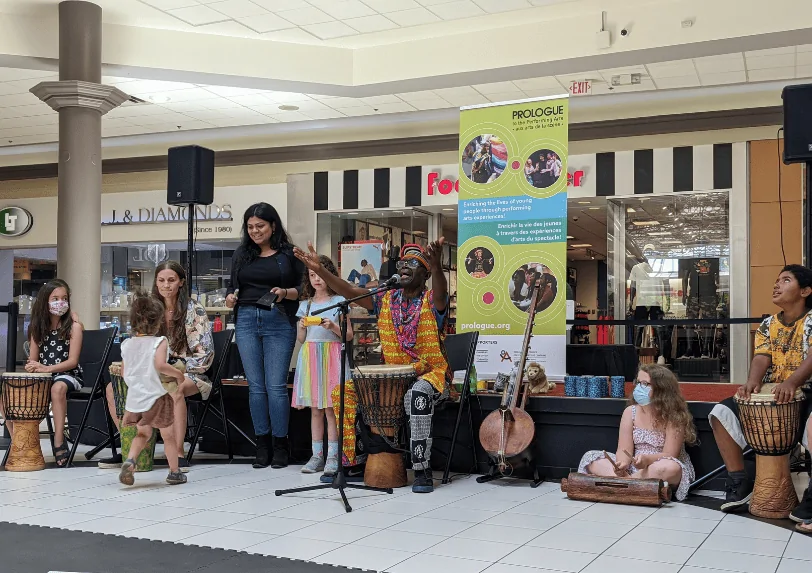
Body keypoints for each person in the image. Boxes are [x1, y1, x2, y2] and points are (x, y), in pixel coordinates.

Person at [295, 241, 451, 493]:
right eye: (401, 263)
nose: (403, 267)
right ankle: (353, 463)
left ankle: (422, 468)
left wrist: (437, 267)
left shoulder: (431, 300)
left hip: (430, 375)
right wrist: (322, 271)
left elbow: (442, 294)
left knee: (418, 395)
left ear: (425, 273)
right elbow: (349, 290)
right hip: (391, 377)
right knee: (342, 392)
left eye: (413, 264)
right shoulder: (385, 298)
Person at [709, 265, 812, 517]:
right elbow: (761, 357)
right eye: (777, 280)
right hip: (774, 393)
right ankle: (739, 481)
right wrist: (752, 382)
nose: (776, 285)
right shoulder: (768, 324)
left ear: (806, 291)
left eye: (786, 280)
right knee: (721, 412)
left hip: (807, 391)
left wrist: (793, 382)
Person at [99, 261, 214, 472]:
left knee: (174, 390)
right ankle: (131, 448)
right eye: (161, 280)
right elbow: (138, 342)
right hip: (154, 373)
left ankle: (178, 453)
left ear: (181, 282)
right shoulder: (150, 308)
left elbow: (204, 356)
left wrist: (175, 367)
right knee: (110, 390)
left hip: (189, 373)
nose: (166, 285)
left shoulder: (194, 310)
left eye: (171, 280)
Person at [226, 202, 305, 469]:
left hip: (278, 318)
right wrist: (230, 296)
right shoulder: (241, 254)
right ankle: (262, 444)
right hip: (246, 317)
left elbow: (301, 289)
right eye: (250, 227)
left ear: (273, 226)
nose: (255, 231)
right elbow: (232, 287)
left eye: (260, 226)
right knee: (256, 387)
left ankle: (281, 444)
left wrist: (284, 292)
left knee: (276, 387)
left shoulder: (289, 254)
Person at [578, 364, 696, 501]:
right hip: (634, 468)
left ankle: (623, 483)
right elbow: (624, 449)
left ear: (661, 389)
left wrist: (647, 460)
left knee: (670, 468)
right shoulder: (630, 412)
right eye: (638, 382)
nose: (639, 387)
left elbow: (670, 455)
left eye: (645, 384)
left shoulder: (674, 416)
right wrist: (621, 465)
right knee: (591, 457)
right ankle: (629, 483)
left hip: (657, 467)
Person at [118, 292, 186, 486]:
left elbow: (124, 372)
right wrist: (178, 374)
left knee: (143, 434)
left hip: (136, 398)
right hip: (156, 397)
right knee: (168, 436)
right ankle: (174, 472)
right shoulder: (159, 341)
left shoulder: (127, 344)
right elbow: (160, 365)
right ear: (158, 322)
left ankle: (130, 461)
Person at [294, 255, 352, 476]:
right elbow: (301, 339)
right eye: (312, 275)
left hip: (332, 355)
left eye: (320, 274)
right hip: (310, 357)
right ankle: (316, 454)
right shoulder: (305, 305)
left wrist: (333, 326)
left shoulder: (339, 301)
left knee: (331, 409)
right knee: (315, 410)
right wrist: (301, 326)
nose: (316, 279)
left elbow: (348, 335)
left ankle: (333, 456)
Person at [21, 280, 84, 467]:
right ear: (45, 302)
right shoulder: (36, 328)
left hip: (69, 374)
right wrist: (32, 367)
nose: (60, 302)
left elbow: (73, 361)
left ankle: (58, 440)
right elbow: (33, 359)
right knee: (12, 392)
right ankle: (24, 442)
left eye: (64, 298)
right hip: (44, 375)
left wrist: (47, 368)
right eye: (55, 298)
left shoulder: (74, 327)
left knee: (57, 388)